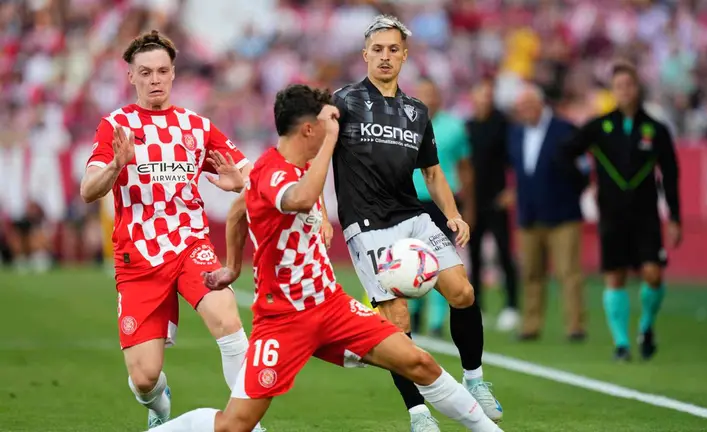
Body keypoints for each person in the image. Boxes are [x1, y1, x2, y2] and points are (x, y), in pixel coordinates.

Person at [144, 84, 504, 432]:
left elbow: (239, 212)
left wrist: (233, 267)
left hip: (332, 307)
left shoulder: (293, 168)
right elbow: (298, 198)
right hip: (283, 319)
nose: (335, 131)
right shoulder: (273, 172)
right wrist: (332, 140)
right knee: (235, 425)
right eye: (327, 125)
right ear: (308, 129)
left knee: (418, 361)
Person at [79, 30, 262, 430]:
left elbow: (253, 173)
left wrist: (242, 182)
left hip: (189, 247)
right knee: (144, 378)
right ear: (132, 77)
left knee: (228, 321)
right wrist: (115, 166)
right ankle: (159, 407)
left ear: (174, 74)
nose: (155, 79)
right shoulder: (116, 126)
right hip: (138, 260)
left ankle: (249, 423)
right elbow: (88, 190)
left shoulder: (195, 126)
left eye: (162, 71)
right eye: (146, 72)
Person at [330, 15, 503, 430]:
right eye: (378, 49)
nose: (385, 57)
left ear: (405, 55)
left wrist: (454, 215)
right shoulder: (343, 102)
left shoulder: (416, 111)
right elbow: (316, 156)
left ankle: (475, 380)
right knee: (397, 321)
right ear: (365, 55)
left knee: (462, 291)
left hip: (413, 215)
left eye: (393, 49)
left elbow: (432, 172)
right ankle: (419, 413)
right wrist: (320, 211)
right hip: (368, 226)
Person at [559, 61, 682, 361]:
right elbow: (564, 154)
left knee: (653, 274)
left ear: (638, 88)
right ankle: (622, 344)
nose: (624, 91)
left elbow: (671, 174)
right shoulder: (599, 127)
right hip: (611, 214)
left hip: (646, 215)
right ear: (612, 91)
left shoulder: (656, 129)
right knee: (615, 276)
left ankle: (646, 326)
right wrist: (583, 183)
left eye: (629, 85)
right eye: (618, 86)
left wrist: (676, 218)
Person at [506, 84, 588, 341]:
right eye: (522, 107)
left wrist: (570, 194)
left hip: (563, 214)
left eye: (530, 105)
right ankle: (531, 325)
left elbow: (583, 170)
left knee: (568, 273)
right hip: (529, 215)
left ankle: (575, 326)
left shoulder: (565, 130)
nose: (526, 111)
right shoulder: (516, 134)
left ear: (542, 105)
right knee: (531, 273)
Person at [409, 77, 472, 338]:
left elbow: (465, 165)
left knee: (440, 258)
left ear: (439, 96)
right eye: (422, 93)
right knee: (411, 258)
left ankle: (435, 320)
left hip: (441, 201)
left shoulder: (454, 127)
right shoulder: (404, 125)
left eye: (431, 94)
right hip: (410, 199)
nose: (427, 99)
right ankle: (413, 310)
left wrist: (464, 205)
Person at [466, 78, 520, 331]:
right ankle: (478, 306)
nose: (484, 99)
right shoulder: (468, 126)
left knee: (504, 253)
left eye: (488, 94)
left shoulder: (503, 124)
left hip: (497, 200)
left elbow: (516, 159)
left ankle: (511, 305)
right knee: (474, 255)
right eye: (480, 94)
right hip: (473, 201)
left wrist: (512, 189)